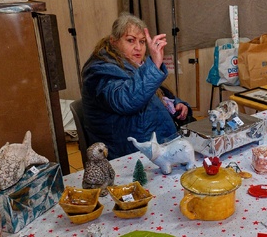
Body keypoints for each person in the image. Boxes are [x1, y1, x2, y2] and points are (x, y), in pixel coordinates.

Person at [82, 13, 192, 160]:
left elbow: (156, 93)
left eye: (142, 42)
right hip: (127, 151)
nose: (138, 48)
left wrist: (176, 104)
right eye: (130, 41)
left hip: (154, 142)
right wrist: (153, 64)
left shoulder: (132, 64)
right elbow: (126, 100)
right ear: (113, 42)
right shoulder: (99, 70)